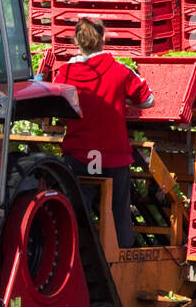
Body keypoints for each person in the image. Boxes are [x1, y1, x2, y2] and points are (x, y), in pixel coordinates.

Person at [55, 19, 156, 249]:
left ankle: (79, 258)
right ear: (103, 38)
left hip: (79, 155)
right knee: (118, 211)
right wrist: (122, 99)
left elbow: (57, 109)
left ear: (76, 41)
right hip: (114, 156)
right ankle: (121, 259)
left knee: (78, 212)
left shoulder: (64, 74)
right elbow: (148, 100)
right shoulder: (120, 71)